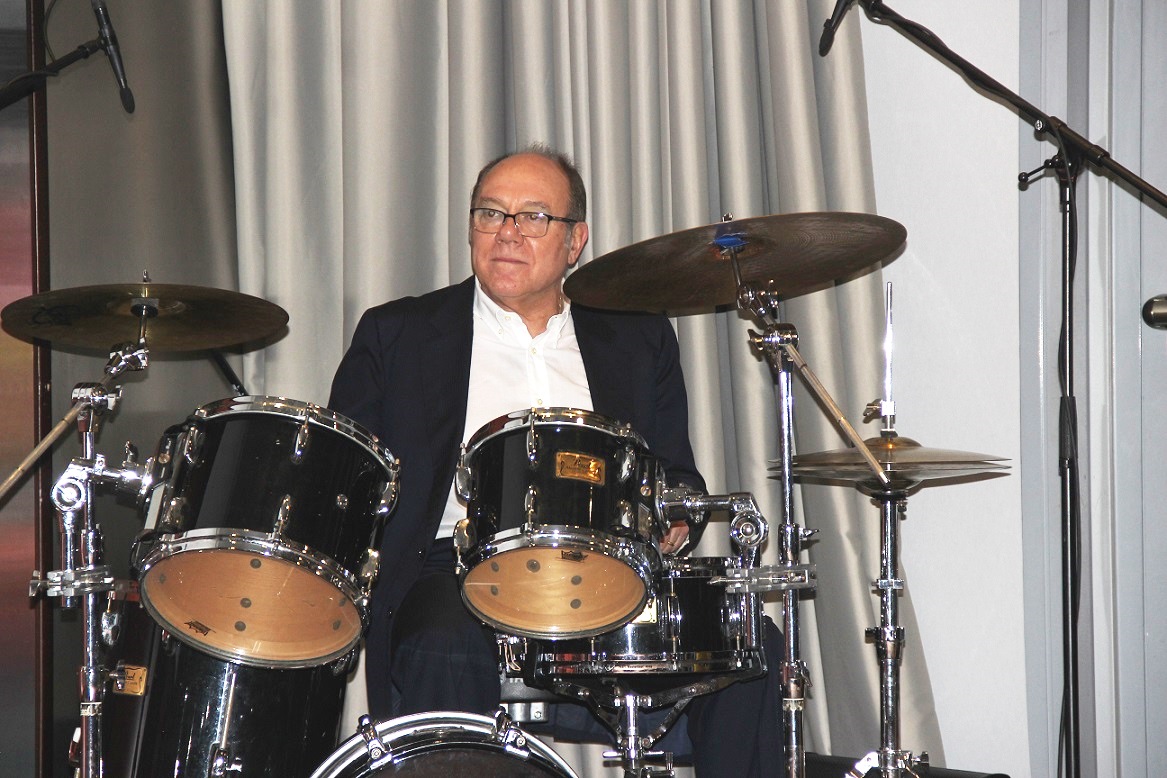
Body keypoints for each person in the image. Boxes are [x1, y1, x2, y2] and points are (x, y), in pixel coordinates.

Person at [328, 145, 783, 775]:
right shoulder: (398, 332)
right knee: (441, 641)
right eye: (491, 213)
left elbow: (676, 473)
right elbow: (349, 478)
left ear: (576, 242)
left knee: (749, 641)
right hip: (458, 565)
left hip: (611, 566)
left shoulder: (637, 335)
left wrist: (676, 517)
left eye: (533, 217)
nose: (507, 233)